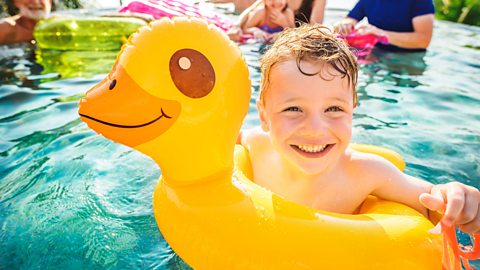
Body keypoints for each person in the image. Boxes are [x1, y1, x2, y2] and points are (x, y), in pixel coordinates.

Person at [238, 24, 480, 233]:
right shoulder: (257, 145)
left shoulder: (366, 173)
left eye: (334, 109)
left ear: (352, 110)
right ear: (264, 116)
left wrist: (457, 196)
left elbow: (432, 198)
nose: (314, 129)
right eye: (293, 109)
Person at [334, 0, 435, 51]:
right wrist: (346, 24)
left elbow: (423, 40)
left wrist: (380, 33)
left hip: (408, 59)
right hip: (375, 54)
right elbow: (350, 18)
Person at [228, 0, 325, 41]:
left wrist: (285, 31)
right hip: (279, 31)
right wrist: (236, 26)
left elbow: (315, 28)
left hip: (297, 33)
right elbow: (253, 9)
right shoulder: (265, 8)